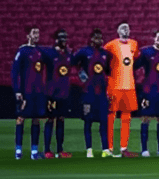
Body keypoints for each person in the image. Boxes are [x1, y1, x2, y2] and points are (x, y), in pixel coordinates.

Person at [11, 26, 51, 160]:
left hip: (39, 92)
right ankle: (18, 150)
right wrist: (17, 90)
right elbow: (14, 72)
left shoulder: (40, 51)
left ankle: (34, 151)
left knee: (36, 119)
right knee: (21, 119)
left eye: (38, 32)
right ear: (28, 35)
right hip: (26, 91)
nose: (37, 35)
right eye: (34, 33)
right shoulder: (22, 51)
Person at [72, 29, 112, 158]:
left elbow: (108, 72)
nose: (98, 40)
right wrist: (81, 76)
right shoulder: (84, 52)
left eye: (100, 38)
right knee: (88, 122)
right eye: (96, 38)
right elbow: (73, 63)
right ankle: (89, 149)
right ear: (91, 39)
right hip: (88, 93)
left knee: (104, 122)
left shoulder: (106, 54)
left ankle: (105, 149)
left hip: (101, 94)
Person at [103, 22, 140, 157]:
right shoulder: (110, 45)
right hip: (114, 86)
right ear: (118, 30)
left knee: (126, 117)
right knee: (111, 116)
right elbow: (102, 61)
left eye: (127, 28)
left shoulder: (134, 44)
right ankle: (109, 148)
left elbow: (134, 59)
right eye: (122, 28)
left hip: (129, 86)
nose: (125, 30)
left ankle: (124, 148)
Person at [135, 30, 159, 157]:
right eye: (158, 37)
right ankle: (144, 149)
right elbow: (135, 65)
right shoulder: (146, 52)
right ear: (154, 39)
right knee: (146, 119)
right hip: (148, 90)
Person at [42, 29, 74, 158]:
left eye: (65, 38)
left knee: (61, 120)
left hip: (64, 92)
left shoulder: (68, 54)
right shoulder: (49, 53)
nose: (64, 41)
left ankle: (60, 150)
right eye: (62, 38)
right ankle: (47, 150)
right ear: (56, 40)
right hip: (51, 92)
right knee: (50, 119)